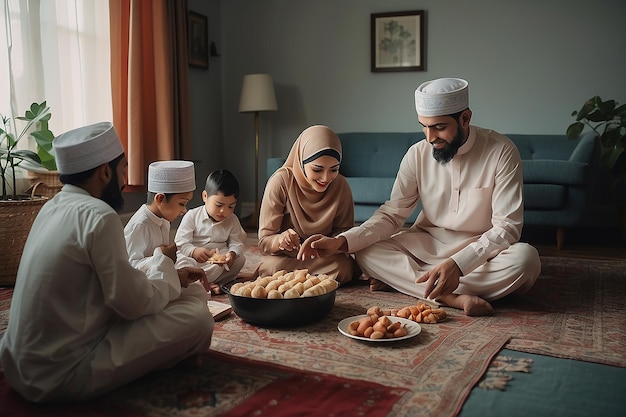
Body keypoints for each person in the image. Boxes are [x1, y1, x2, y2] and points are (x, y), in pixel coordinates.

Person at [0, 122, 213, 403]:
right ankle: (168, 357)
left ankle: (166, 355)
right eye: (123, 169)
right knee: (197, 319)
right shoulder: (99, 215)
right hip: (60, 374)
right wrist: (163, 263)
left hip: (18, 366)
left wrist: (173, 277)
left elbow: (112, 285)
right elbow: (133, 304)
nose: (124, 180)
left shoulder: (50, 207)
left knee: (186, 293)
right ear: (105, 172)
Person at [298, 78, 541, 316]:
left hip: (481, 251)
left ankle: (409, 282)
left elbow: (507, 228)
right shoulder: (417, 153)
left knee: (526, 261)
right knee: (363, 251)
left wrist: (459, 264)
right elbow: (392, 214)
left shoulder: (501, 151)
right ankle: (449, 296)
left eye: (439, 127)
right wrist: (340, 242)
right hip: (427, 244)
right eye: (424, 126)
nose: (429, 137)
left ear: (465, 118)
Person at [258, 125, 360, 284]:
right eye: (317, 169)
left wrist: (329, 244)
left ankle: (293, 279)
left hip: (324, 259)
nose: (326, 178)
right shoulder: (281, 182)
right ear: (301, 161)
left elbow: (344, 234)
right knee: (269, 267)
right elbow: (264, 242)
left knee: (344, 267)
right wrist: (280, 240)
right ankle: (314, 280)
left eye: (334, 169)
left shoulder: (341, 185)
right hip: (285, 259)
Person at [175, 169, 246, 294]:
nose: (224, 211)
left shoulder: (232, 220)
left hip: (217, 264)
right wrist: (193, 251)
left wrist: (232, 254)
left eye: (231, 206)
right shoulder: (192, 216)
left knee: (240, 260)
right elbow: (180, 242)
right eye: (219, 205)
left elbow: (236, 243)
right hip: (195, 261)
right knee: (182, 263)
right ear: (205, 196)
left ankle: (212, 283)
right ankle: (198, 283)